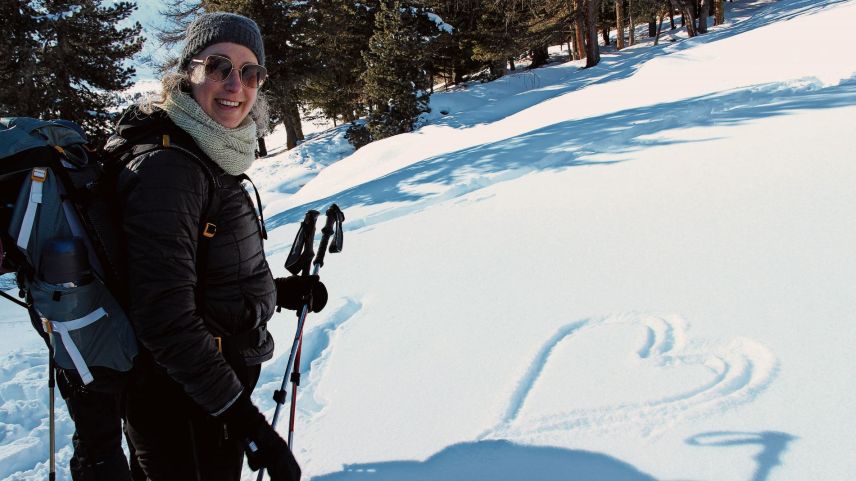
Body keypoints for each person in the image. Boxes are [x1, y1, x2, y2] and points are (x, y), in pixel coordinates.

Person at [104, 12, 326, 481]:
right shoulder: (169, 169)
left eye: (250, 72)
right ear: (188, 73)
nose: (235, 84)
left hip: (206, 394)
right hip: (181, 403)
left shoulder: (205, 152)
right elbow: (164, 318)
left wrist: (278, 292)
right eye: (219, 66)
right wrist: (246, 423)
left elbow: (201, 268)